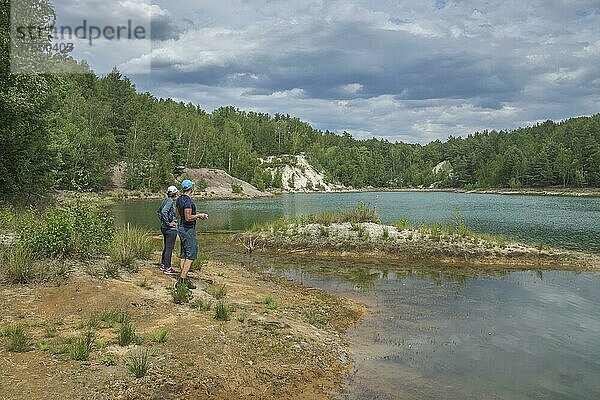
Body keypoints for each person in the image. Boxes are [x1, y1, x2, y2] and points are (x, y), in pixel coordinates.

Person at [175, 179, 208, 289]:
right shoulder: (188, 201)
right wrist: (199, 215)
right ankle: (182, 279)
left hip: (181, 228)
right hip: (188, 230)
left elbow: (178, 215)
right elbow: (188, 217)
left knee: (184, 253)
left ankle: (183, 277)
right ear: (191, 188)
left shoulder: (179, 199)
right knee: (191, 253)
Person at [157, 185, 179, 275]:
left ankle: (163, 264)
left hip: (164, 228)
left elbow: (158, 212)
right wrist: (168, 223)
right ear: (174, 193)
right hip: (170, 229)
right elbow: (163, 212)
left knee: (166, 247)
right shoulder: (170, 201)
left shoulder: (165, 200)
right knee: (169, 248)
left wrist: (163, 222)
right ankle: (167, 268)